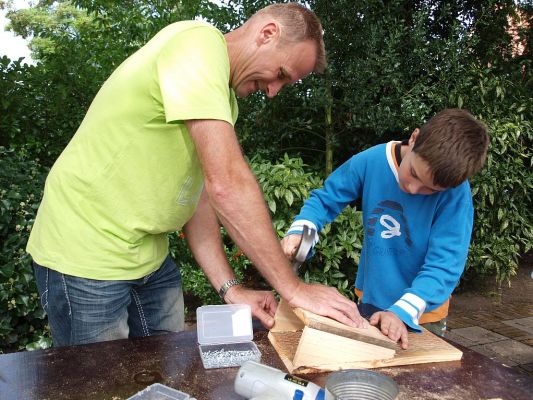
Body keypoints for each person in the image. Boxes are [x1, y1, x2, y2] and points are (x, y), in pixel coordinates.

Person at [26, 3, 363, 347]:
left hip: (148, 256)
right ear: (267, 34)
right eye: (281, 74)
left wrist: (231, 289)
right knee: (100, 376)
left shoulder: (224, 101)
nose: (274, 90)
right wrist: (293, 289)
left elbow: (198, 198)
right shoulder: (196, 46)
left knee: (165, 367)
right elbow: (227, 185)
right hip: (86, 254)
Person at [282, 108, 489, 349]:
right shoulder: (371, 161)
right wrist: (303, 232)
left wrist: (402, 312)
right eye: (414, 173)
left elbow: (445, 265)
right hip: (371, 300)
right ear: (414, 138)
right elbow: (325, 200)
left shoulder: (455, 194)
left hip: (420, 313)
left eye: (429, 190)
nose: (413, 189)